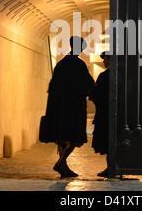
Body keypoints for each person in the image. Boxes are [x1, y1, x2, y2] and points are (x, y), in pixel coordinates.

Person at [41, 36, 95, 178]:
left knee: (61, 137)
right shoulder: (79, 64)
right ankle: (61, 162)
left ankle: (63, 166)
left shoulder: (61, 64)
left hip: (59, 108)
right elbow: (89, 85)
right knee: (74, 137)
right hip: (74, 108)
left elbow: (52, 87)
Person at [89, 52, 110, 177]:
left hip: (104, 113)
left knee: (108, 141)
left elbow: (95, 95)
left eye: (106, 59)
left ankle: (111, 167)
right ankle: (114, 166)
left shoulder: (103, 76)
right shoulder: (123, 75)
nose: (104, 61)